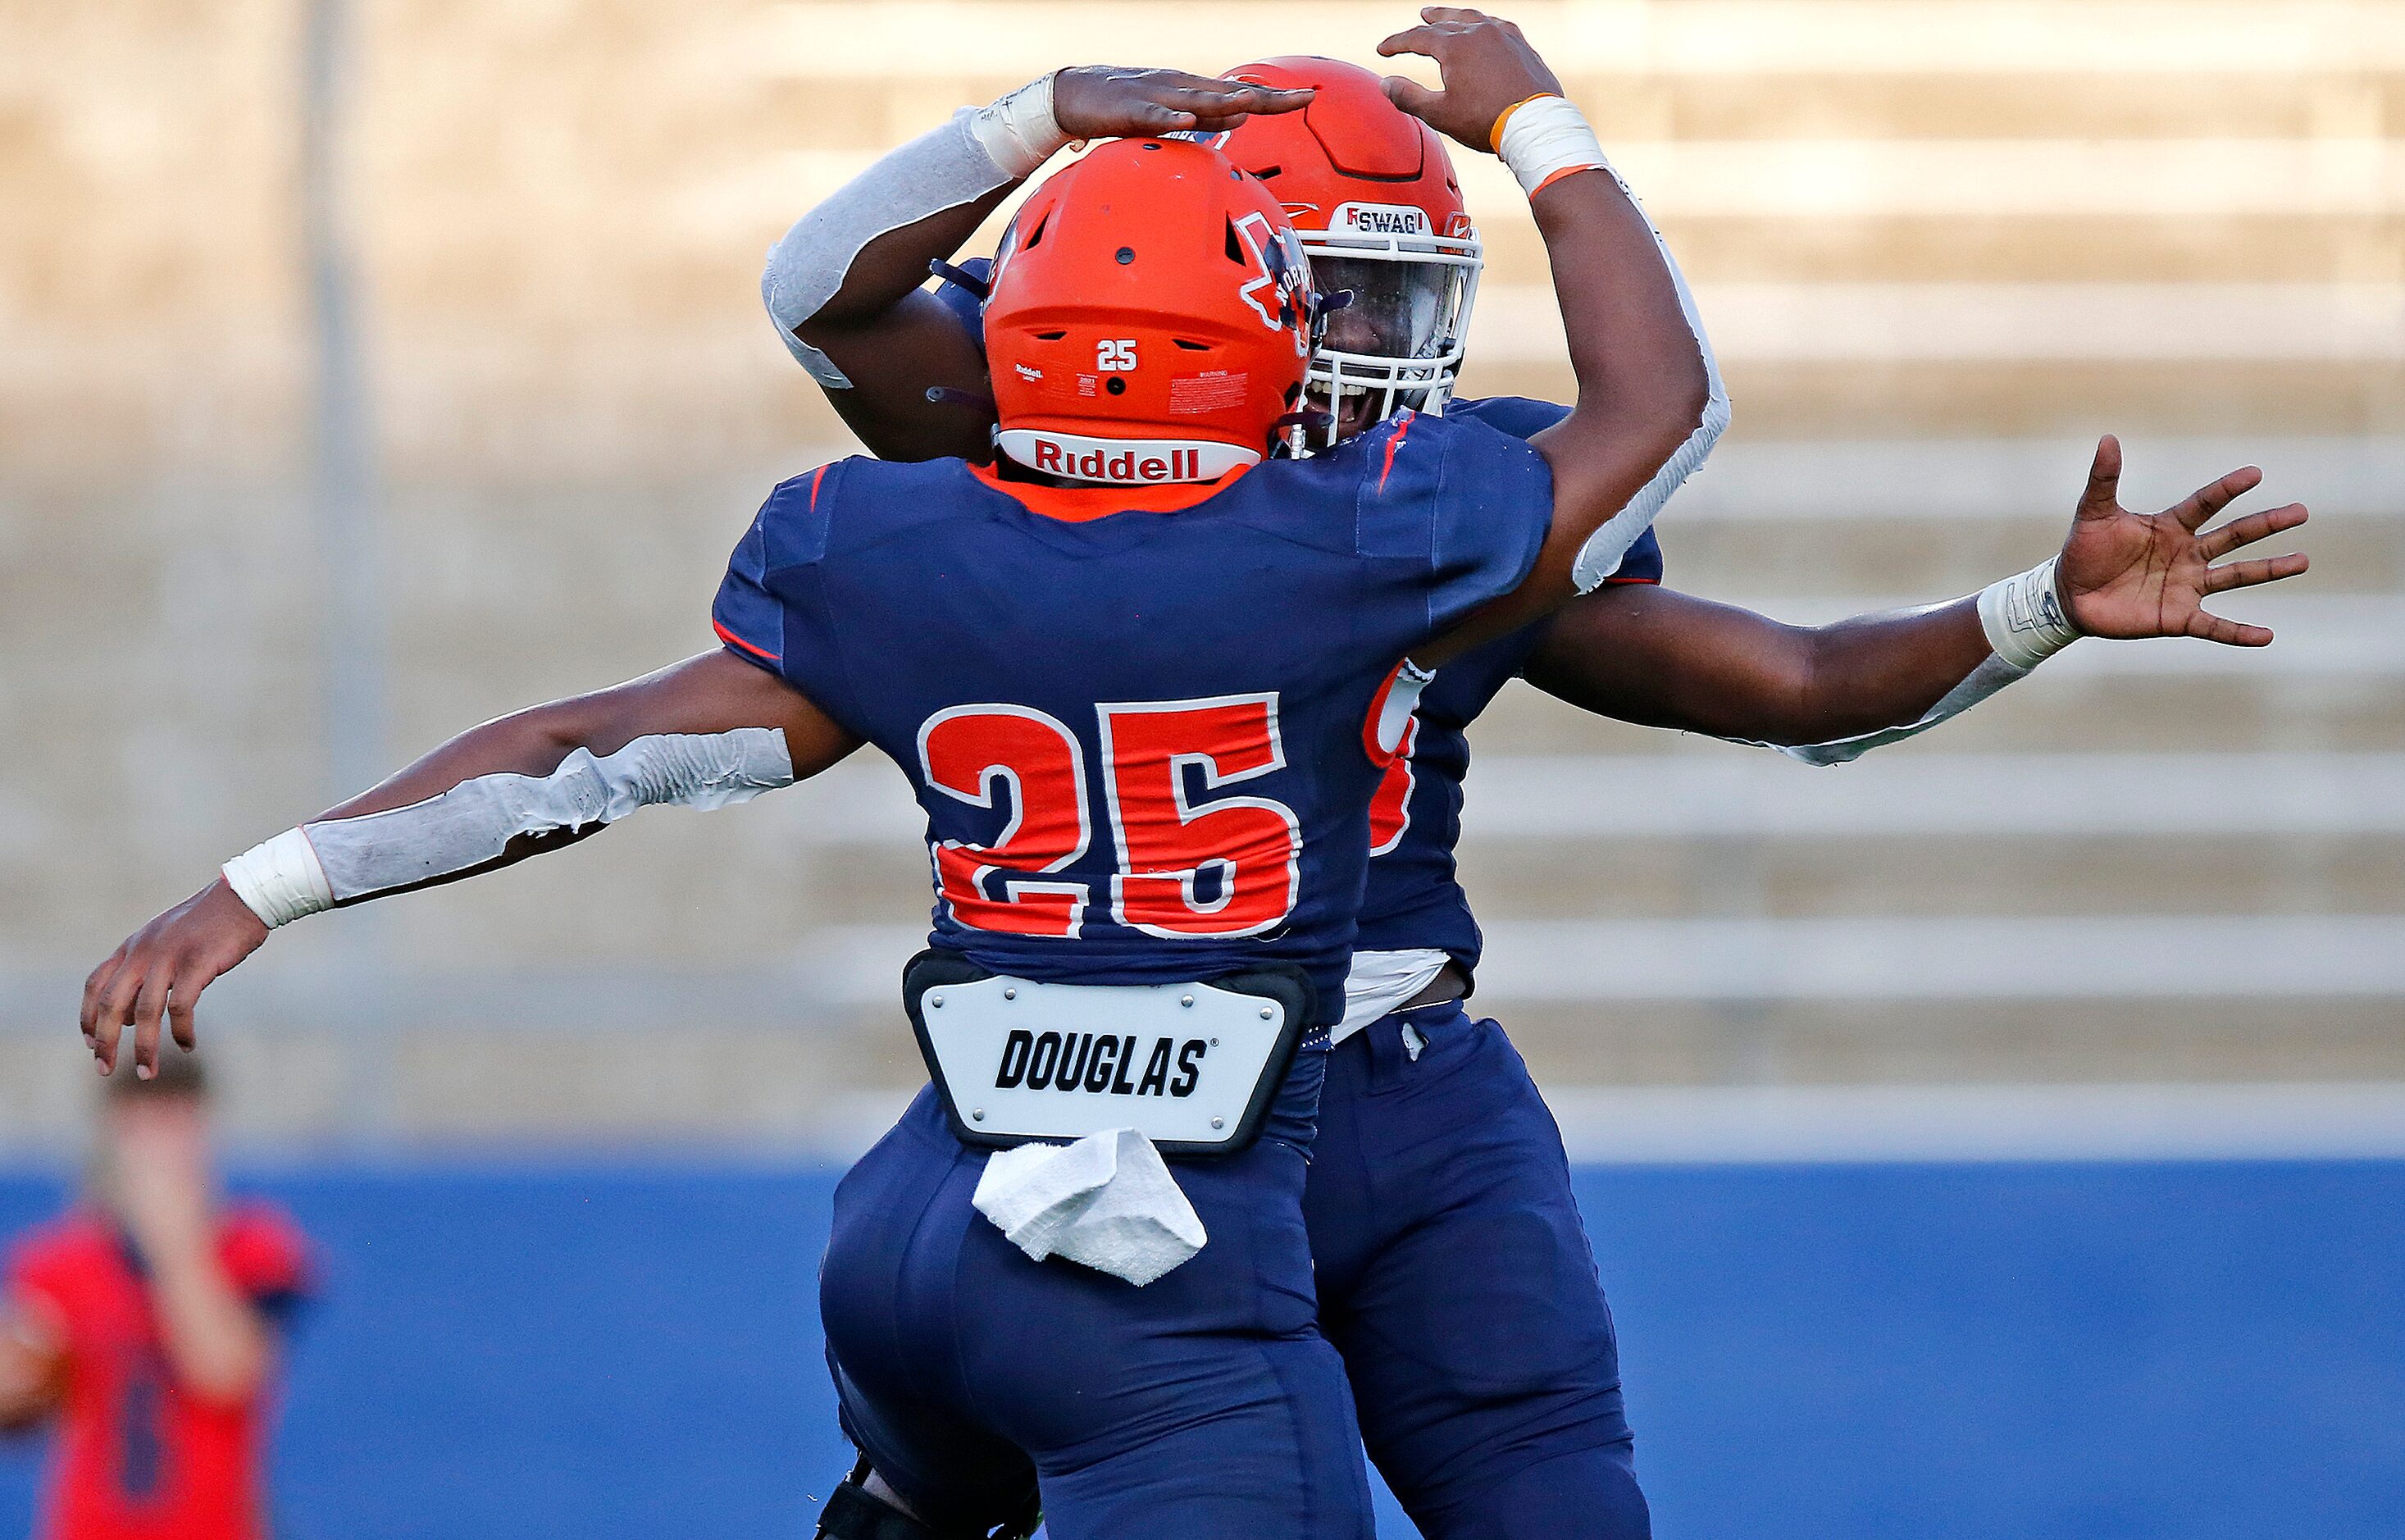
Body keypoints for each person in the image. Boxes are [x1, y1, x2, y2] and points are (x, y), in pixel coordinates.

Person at [81, 14, 1721, 1537]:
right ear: (1257, 313)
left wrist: (264, 882)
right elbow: (1661, 413)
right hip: (1169, 1215)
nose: (1365, 341)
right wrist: (1543, 133)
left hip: (960, 1194)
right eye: (1332, 293)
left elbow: (592, 742)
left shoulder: (915, 534)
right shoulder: (1390, 529)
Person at [763, 39, 2313, 1540]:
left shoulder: (1437, 504)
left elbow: (1800, 687)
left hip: (1403, 1087)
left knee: (1558, 1504)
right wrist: (1031, 122)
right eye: (1339, 291)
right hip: (1136, 1092)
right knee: (947, 1482)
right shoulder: (1042, 420)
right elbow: (822, 301)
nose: (1379, 341)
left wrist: (2038, 603)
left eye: (1401, 295)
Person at [0, 1056, 309, 1540]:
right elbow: (19, 1404)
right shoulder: (56, 1263)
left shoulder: (254, 1248)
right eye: (144, 1126)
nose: (161, 1149)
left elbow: (226, 1373)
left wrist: (172, 1242)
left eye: (176, 1123)